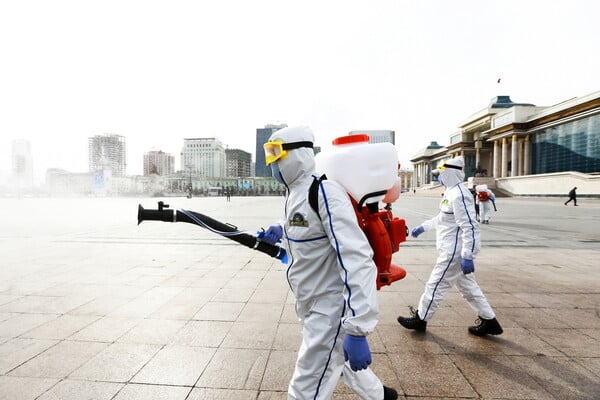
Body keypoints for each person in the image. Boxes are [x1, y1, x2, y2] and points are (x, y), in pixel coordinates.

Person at [259, 126, 398, 400]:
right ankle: (380, 395)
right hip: (309, 300)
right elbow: (307, 230)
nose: (272, 162)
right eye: (268, 154)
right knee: (338, 361)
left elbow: (357, 260)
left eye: (276, 152)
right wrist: (279, 230)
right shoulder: (295, 193)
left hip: (330, 306)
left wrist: (358, 329)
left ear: (297, 153)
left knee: (307, 383)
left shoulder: (324, 192)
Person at [397, 157, 503, 337]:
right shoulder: (451, 192)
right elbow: (442, 219)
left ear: (450, 173)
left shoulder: (460, 194)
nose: (439, 178)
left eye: (441, 174)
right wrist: (423, 227)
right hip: (450, 248)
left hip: (455, 252)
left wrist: (468, 255)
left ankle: (421, 318)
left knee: (435, 284)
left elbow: (469, 226)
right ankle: (490, 321)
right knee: (469, 288)